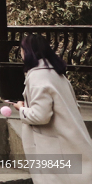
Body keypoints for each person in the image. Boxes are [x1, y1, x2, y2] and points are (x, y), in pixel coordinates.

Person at [10, 34, 92, 184]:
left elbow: (40, 116)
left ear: (27, 52)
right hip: (68, 138)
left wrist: (21, 109)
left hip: (53, 146)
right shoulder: (55, 72)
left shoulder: (37, 76)